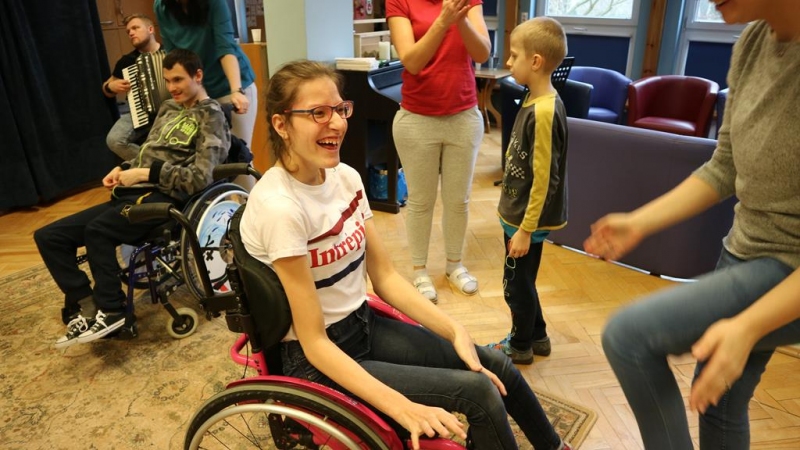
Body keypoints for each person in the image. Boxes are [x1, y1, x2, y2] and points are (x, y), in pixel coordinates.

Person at [240, 59, 571, 450]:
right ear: (281, 124)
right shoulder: (281, 208)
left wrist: (454, 330)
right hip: (318, 361)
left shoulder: (345, 177)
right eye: (318, 113)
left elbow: (385, 278)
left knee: (494, 363)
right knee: (479, 393)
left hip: (361, 323)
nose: (337, 123)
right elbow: (314, 343)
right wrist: (401, 406)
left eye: (340, 109)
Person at [584, 1, 800, 448]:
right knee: (719, 401)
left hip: (788, 265)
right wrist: (639, 222)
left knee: (629, 337)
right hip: (743, 249)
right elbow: (724, 165)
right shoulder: (753, 43)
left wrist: (747, 326)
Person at [35, 49, 230, 349]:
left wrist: (143, 174)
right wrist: (124, 168)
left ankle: (113, 312)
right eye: (168, 80)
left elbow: (199, 178)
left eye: (178, 79)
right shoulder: (168, 108)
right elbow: (147, 153)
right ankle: (87, 304)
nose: (172, 87)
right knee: (49, 236)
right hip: (131, 194)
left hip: (164, 199)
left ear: (198, 76)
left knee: (98, 230)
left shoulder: (212, 116)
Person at [386, 0, 491, 302]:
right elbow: (412, 61)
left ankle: (454, 266)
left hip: (464, 116)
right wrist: (444, 20)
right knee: (421, 201)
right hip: (417, 119)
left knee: (459, 200)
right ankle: (420, 271)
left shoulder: (466, 2)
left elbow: (482, 53)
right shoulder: (399, 2)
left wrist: (461, 19)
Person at [486, 17, 568, 365]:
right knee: (525, 281)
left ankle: (520, 345)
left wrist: (525, 229)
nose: (508, 62)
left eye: (514, 55)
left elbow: (545, 178)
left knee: (516, 284)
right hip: (519, 214)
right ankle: (538, 336)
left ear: (535, 61)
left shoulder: (545, 111)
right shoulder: (534, 99)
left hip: (526, 221)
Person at [154, 0, 256, 165]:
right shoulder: (162, 6)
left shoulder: (215, 3)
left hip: (228, 86)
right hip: (196, 91)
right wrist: (179, 91)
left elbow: (225, 47)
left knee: (238, 161)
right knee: (204, 163)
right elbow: (173, 55)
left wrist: (236, 90)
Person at [102, 13, 161, 161]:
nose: (131, 33)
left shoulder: (170, 53)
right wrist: (110, 87)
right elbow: (106, 89)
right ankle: (157, 164)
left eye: (135, 28)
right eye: (128, 31)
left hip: (171, 111)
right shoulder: (126, 61)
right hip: (139, 112)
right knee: (115, 140)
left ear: (150, 29)